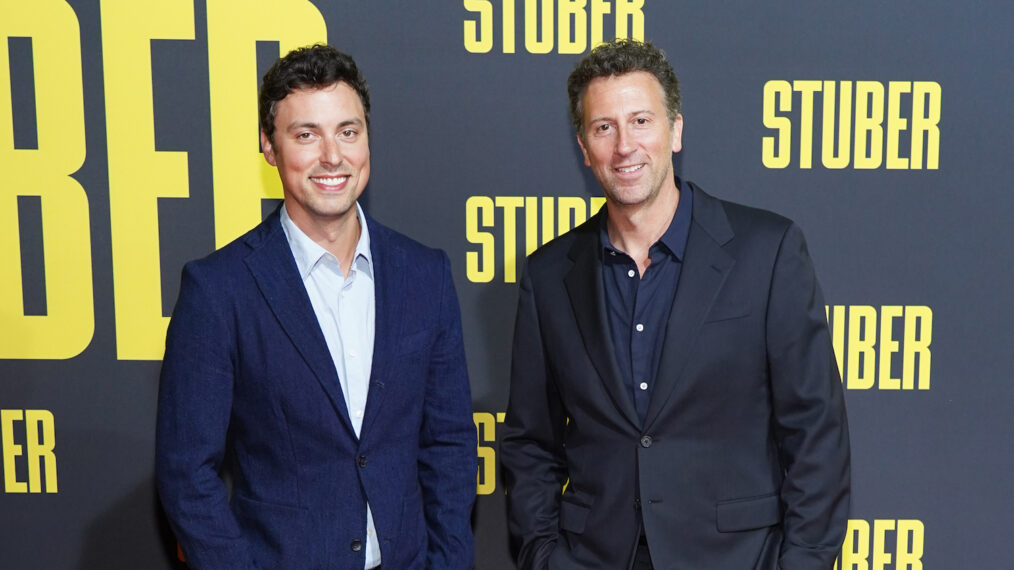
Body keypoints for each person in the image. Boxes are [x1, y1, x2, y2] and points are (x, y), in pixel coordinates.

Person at [500, 39, 850, 569]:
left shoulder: (767, 251)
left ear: (675, 131)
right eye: (604, 127)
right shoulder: (550, 274)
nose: (625, 146)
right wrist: (543, 555)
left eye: (641, 120)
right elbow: (530, 443)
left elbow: (815, 433)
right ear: (583, 145)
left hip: (737, 557)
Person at [156, 44, 476, 570]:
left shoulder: (426, 274)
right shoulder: (219, 289)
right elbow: (186, 472)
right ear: (269, 146)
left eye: (348, 131)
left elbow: (449, 447)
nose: (333, 156)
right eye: (306, 135)